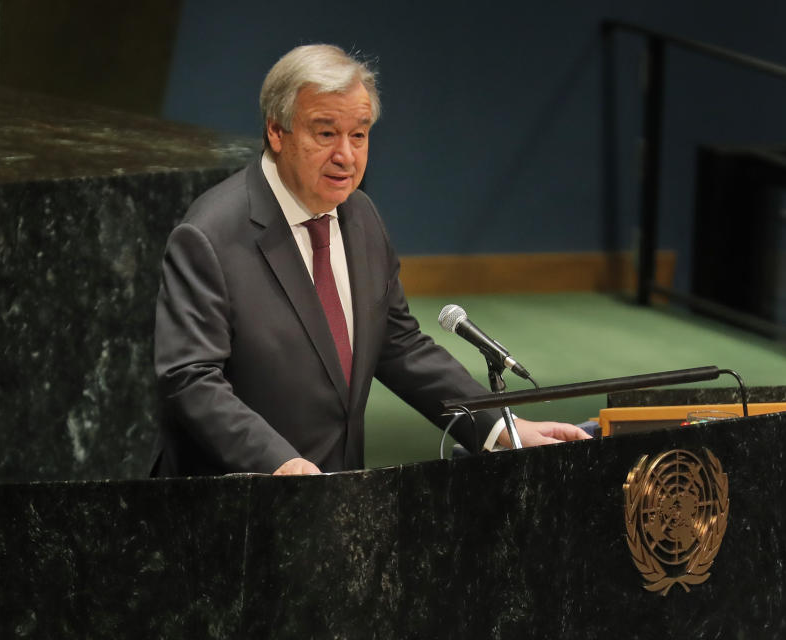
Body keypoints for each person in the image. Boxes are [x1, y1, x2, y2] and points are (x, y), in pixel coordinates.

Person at [151, 44, 589, 477]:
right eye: (325, 133)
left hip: (340, 495)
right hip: (234, 506)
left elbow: (398, 346)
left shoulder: (360, 216)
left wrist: (501, 428)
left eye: (358, 135)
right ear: (276, 132)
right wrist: (277, 463)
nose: (346, 155)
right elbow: (190, 380)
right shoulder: (210, 236)